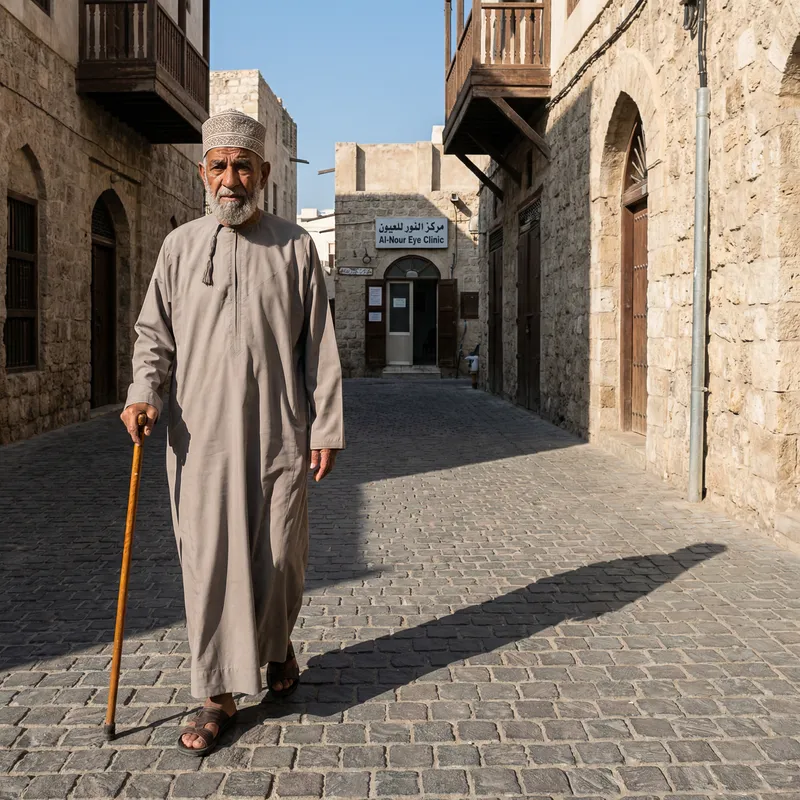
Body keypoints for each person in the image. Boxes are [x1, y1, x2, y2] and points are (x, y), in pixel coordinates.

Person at [120, 109, 344, 755]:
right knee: (212, 563)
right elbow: (152, 337)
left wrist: (325, 425)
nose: (230, 178)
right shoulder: (180, 248)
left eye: (242, 165)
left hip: (279, 432)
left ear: (265, 174)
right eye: (218, 165)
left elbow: (319, 349)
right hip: (201, 440)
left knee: (280, 558)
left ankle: (275, 650)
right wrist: (143, 394)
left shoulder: (296, 248)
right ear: (202, 172)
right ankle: (216, 694)